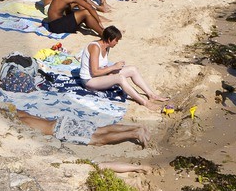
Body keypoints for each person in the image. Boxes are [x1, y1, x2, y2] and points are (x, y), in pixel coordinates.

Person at [78, 27, 165, 108]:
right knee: (120, 78)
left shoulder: (107, 47)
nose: (117, 43)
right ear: (109, 39)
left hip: (99, 77)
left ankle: (151, 95)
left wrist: (111, 71)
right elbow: (94, 72)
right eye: (116, 40)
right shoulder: (95, 47)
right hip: (89, 81)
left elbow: (101, 66)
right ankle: (144, 102)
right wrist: (113, 67)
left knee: (132, 69)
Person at [11, 108, 149, 148]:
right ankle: (136, 127)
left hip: (60, 131)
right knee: (100, 129)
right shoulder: (20, 114)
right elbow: (17, 110)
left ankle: (135, 133)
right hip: (62, 121)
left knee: (98, 140)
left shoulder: (19, 124)